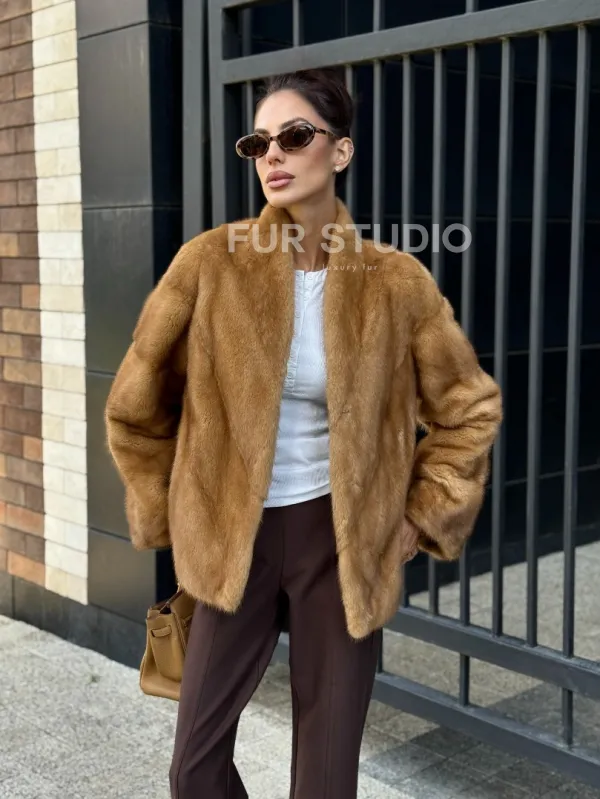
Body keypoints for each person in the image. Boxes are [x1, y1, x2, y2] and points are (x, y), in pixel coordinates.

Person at [104, 67, 502, 799]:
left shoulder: (395, 280)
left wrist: (420, 517)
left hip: (339, 543)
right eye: (258, 143)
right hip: (234, 536)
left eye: (294, 136)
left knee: (324, 779)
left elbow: (468, 407)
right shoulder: (210, 264)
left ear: (340, 151)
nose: (274, 156)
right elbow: (135, 406)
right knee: (193, 769)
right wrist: (175, 514)